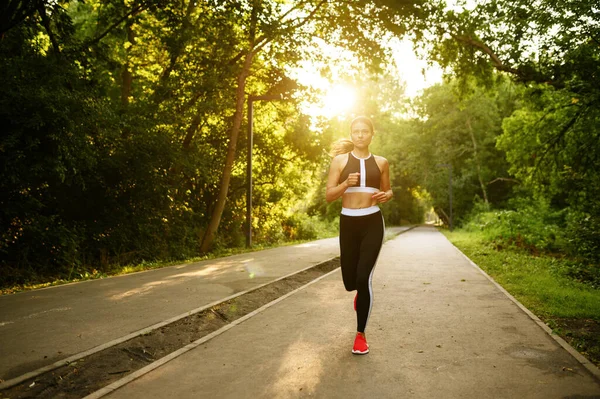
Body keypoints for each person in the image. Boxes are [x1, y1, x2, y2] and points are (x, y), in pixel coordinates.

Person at [326, 115, 393, 355]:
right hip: (349, 223)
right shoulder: (340, 162)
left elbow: (387, 190)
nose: (361, 134)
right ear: (351, 134)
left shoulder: (382, 162)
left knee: (364, 277)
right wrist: (345, 184)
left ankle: (360, 335)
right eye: (356, 131)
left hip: (373, 221)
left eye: (365, 131)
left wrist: (388, 195)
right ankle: (360, 294)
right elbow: (329, 195)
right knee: (349, 282)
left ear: (372, 135)